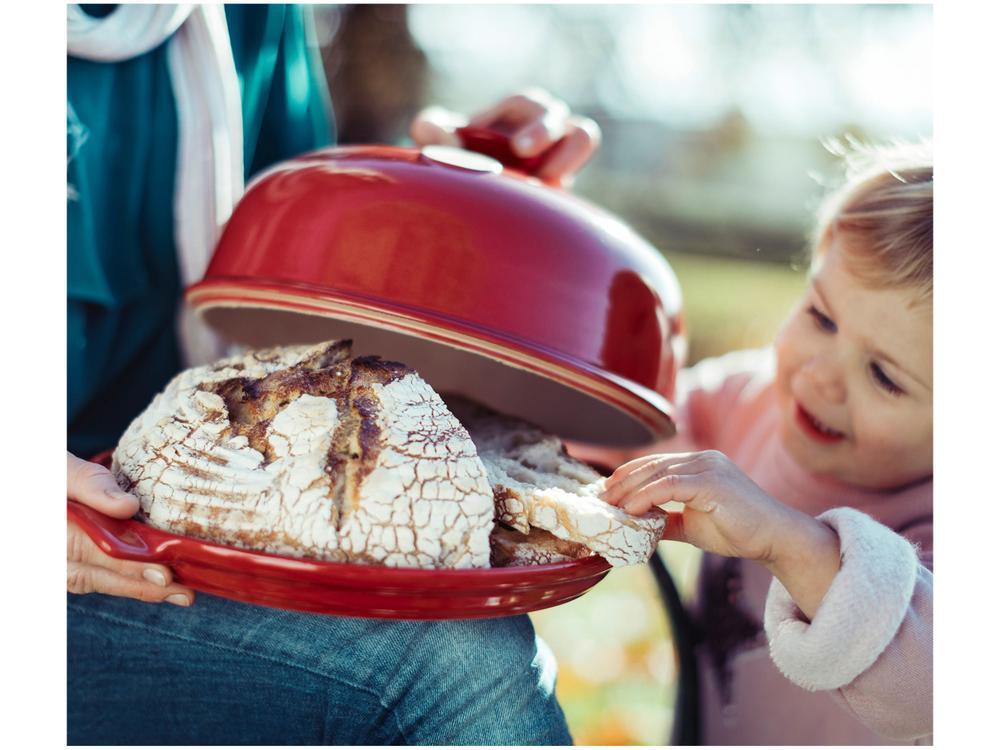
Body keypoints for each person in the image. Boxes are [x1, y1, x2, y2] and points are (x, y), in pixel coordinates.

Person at [67, 4, 599, 744]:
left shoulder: (251, 17)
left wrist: (441, 212)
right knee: (452, 664)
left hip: (176, 520)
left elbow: (297, 312)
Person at [591, 140, 933, 744]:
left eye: (883, 375)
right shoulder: (754, 400)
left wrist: (789, 543)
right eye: (822, 318)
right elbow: (629, 432)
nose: (819, 375)